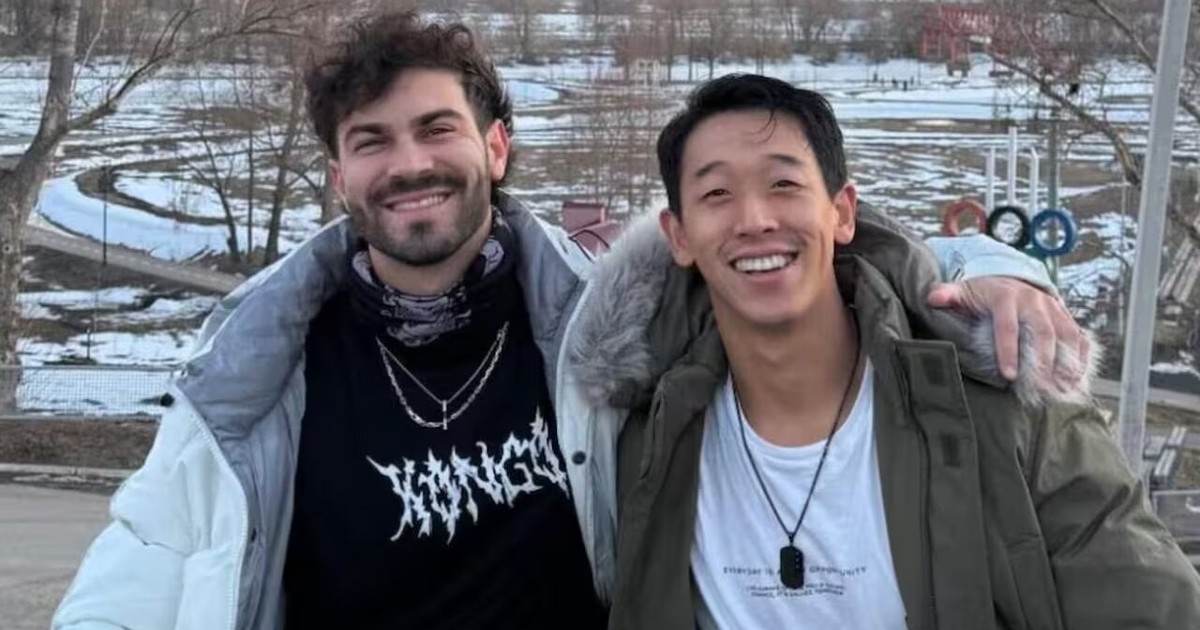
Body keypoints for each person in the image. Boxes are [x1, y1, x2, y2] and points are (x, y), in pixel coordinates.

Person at [53, 13, 1087, 630]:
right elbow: (142, 562)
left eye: (437, 128)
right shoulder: (259, 373)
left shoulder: (605, 322)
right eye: (372, 141)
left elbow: (779, 245)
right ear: (339, 175)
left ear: (496, 148)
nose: (409, 163)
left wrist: (992, 267)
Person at [573, 74, 1200, 629]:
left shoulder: (999, 407)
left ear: (843, 213)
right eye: (716, 194)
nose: (755, 219)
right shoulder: (638, 437)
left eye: (784, 183)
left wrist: (996, 266)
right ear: (678, 237)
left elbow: (1148, 604)